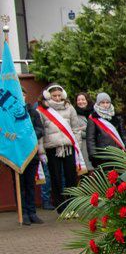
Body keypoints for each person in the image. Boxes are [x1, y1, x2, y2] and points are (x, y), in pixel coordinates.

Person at [38, 84, 87, 212]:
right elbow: (40, 133)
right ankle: (61, 207)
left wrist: (78, 146)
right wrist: (41, 150)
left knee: (71, 177)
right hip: (52, 148)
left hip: (69, 147)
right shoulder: (41, 110)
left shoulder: (69, 108)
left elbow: (75, 129)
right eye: (54, 96)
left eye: (59, 95)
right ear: (48, 96)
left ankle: (72, 205)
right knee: (56, 178)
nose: (57, 98)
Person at [85, 92, 126, 172]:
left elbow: (124, 136)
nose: (105, 105)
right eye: (102, 103)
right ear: (98, 104)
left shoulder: (117, 117)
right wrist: (94, 157)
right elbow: (90, 139)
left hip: (118, 154)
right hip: (102, 156)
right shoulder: (93, 118)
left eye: (107, 102)